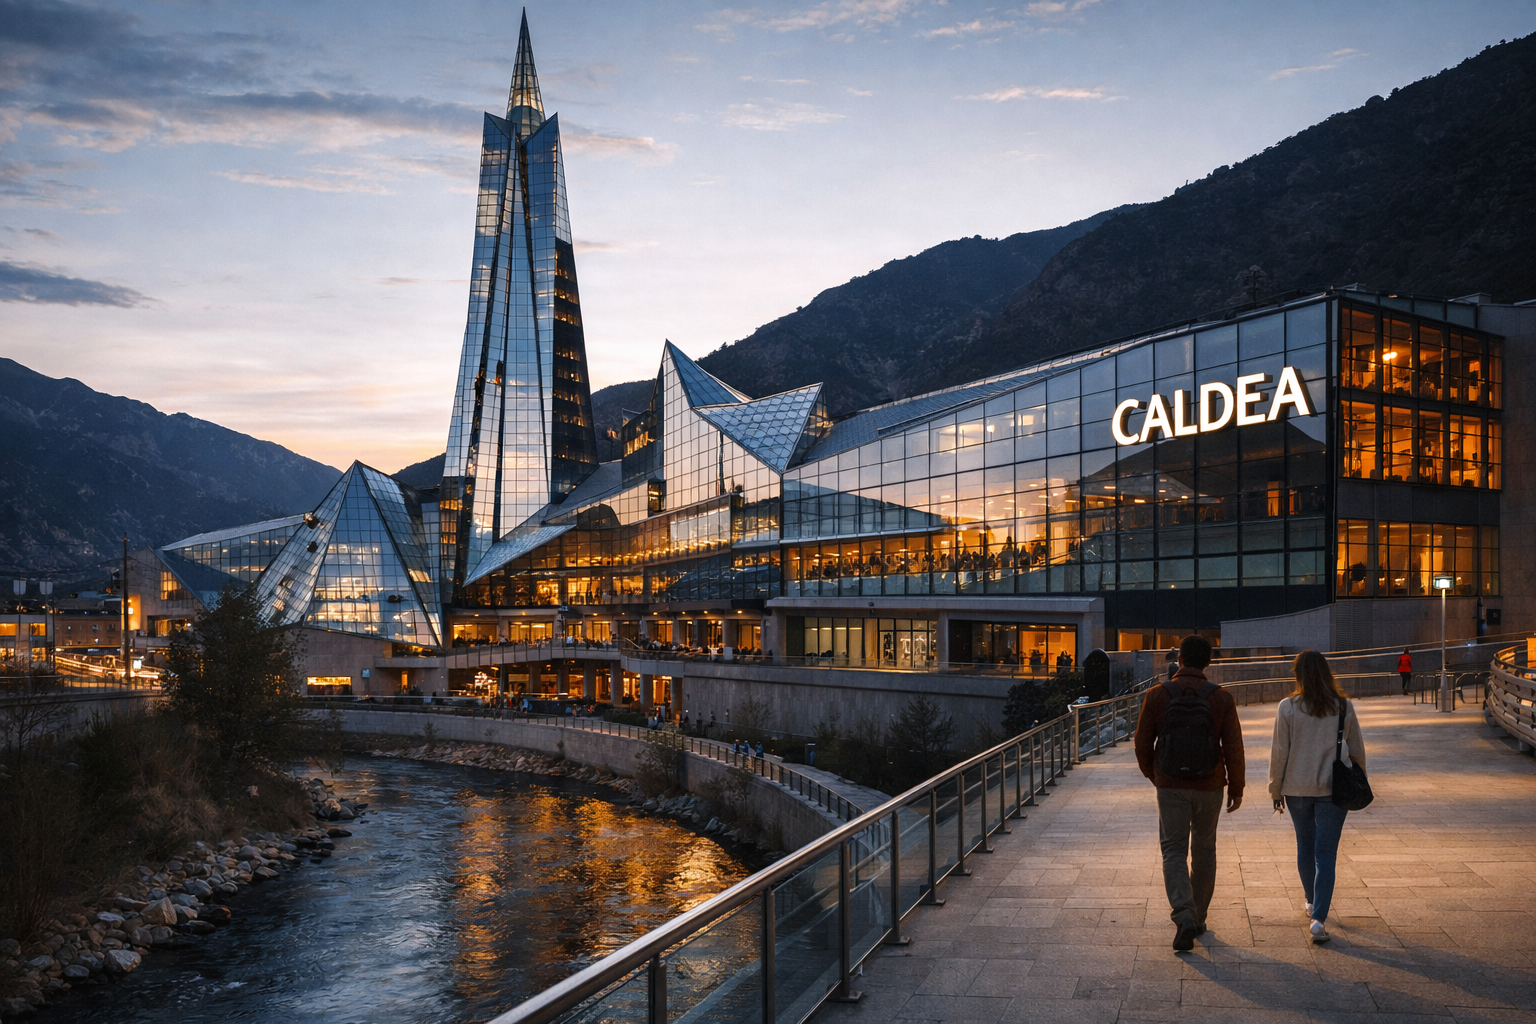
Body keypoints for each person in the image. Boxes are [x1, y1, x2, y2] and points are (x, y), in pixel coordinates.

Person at [1133, 634, 1245, 952]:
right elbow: (1234, 747)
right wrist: (1235, 787)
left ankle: (1183, 914)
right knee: (1205, 851)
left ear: (1179, 660)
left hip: (1170, 785)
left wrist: (1155, 775)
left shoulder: (1157, 695)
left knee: (1173, 851)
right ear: (1208, 663)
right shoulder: (1221, 698)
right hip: (1209, 786)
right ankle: (1198, 918)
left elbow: (1142, 742)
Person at [1269, 650, 1366, 945]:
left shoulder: (1288, 708)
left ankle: (1311, 902)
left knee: (1305, 845)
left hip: (1297, 790)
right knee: (1326, 853)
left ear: (1297, 675)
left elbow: (1279, 753)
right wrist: (1360, 778)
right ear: (1327, 673)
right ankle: (1318, 919)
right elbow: (1357, 749)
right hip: (1333, 790)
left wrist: (1276, 790)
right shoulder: (1342, 706)